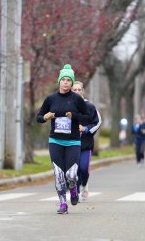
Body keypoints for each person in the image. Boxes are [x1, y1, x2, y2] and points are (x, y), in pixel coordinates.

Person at [37, 64, 89, 214]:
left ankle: (73, 189)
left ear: (72, 83)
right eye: (63, 79)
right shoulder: (51, 99)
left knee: (71, 175)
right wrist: (45, 117)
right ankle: (62, 204)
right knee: (59, 174)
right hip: (56, 141)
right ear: (59, 81)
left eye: (68, 80)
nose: (65, 82)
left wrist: (75, 117)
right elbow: (39, 117)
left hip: (73, 141)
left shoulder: (77, 100)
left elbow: (86, 118)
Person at [71, 81, 101, 201]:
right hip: (71, 143)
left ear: (83, 91)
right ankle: (76, 191)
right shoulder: (67, 105)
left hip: (85, 144)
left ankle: (85, 184)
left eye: (79, 90)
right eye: (75, 90)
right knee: (74, 169)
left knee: (83, 168)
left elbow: (97, 122)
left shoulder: (89, 106)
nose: (77, 92)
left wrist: (86, 129)